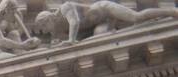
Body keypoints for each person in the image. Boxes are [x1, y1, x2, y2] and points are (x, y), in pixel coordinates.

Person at [33, 0, 178, 43]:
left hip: (105, 9)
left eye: (44, 27)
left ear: (48, 20)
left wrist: (70, 40)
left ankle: (171, 12)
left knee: (136, 17)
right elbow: (65, 42)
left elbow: (75, 22)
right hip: (102, 22)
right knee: (100, 37)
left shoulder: (65, 8)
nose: (45, 31)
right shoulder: (57, 30)